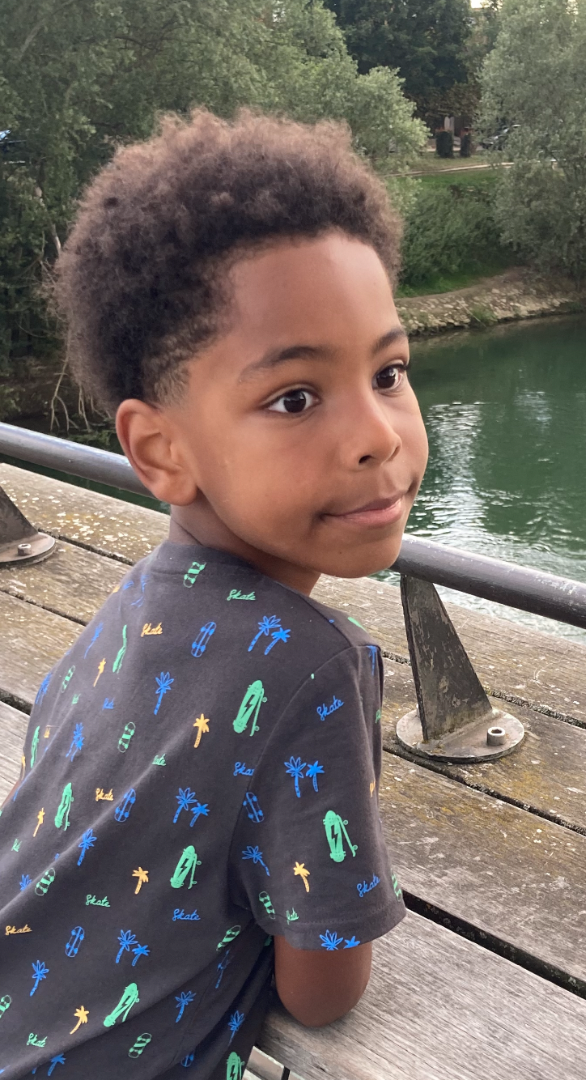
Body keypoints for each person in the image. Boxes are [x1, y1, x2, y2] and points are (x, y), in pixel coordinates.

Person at [0, 109, 428, 1079]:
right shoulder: (315, 663)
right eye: (294, 397)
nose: (377, 435)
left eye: (389, 372)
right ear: (162, 450)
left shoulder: (132, 608)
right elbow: (321, 992)